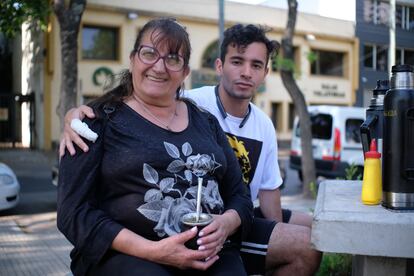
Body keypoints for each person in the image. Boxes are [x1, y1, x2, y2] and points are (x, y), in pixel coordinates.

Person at [60, 23, 322, 275]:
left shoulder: (204, 120)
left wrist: (227, 223)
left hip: (212, 247)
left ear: (185, 71)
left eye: (173, 59)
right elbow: (74, 212)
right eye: (149, 53)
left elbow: (240, 194)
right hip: (134, 252)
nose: (159, 66)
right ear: (132, 59)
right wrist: (154, 250)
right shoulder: (96, 121)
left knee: (308, 236)